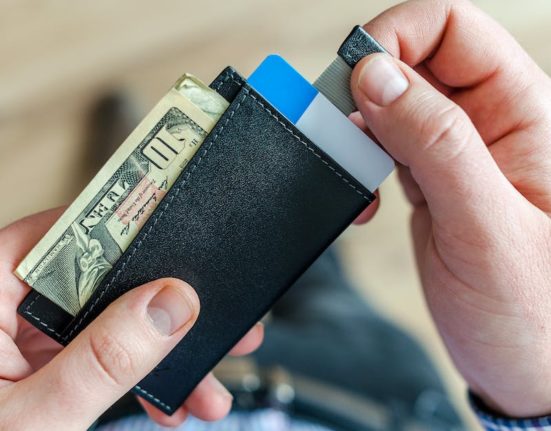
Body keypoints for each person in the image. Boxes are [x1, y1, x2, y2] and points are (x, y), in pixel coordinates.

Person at [1, 0, 550, 429]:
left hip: (117, 400)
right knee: (316, 267)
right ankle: (284, 191)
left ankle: (155, 186)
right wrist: (536, 392)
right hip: (374, 394)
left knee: (280, 233)